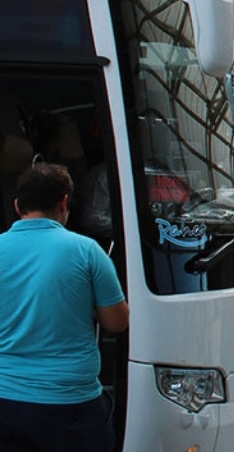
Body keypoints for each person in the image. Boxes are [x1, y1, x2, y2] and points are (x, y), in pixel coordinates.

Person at [0, 163, 129, 452]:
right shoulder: (87, 251)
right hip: (71, 405)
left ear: (18, 205)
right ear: (64, 202)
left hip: (4, 401)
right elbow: (117, 323)